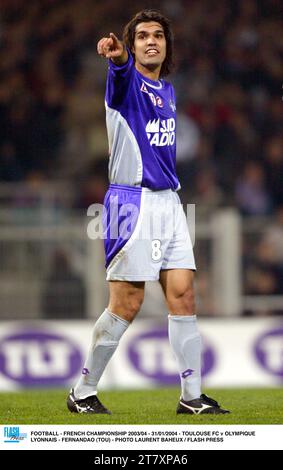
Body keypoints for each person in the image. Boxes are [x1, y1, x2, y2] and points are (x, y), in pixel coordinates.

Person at [67, 9, 229, 415]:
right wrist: (117, 56)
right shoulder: (124, 83)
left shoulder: (169, 91)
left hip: (170, 202)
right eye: (142, 36)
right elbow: (121, 69)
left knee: (184, 294)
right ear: (133, 44)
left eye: (158, 35)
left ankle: (191, 397)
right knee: (126, 302)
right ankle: (82, 391)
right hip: (131, 201)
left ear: (167, 44)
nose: (151, 41)